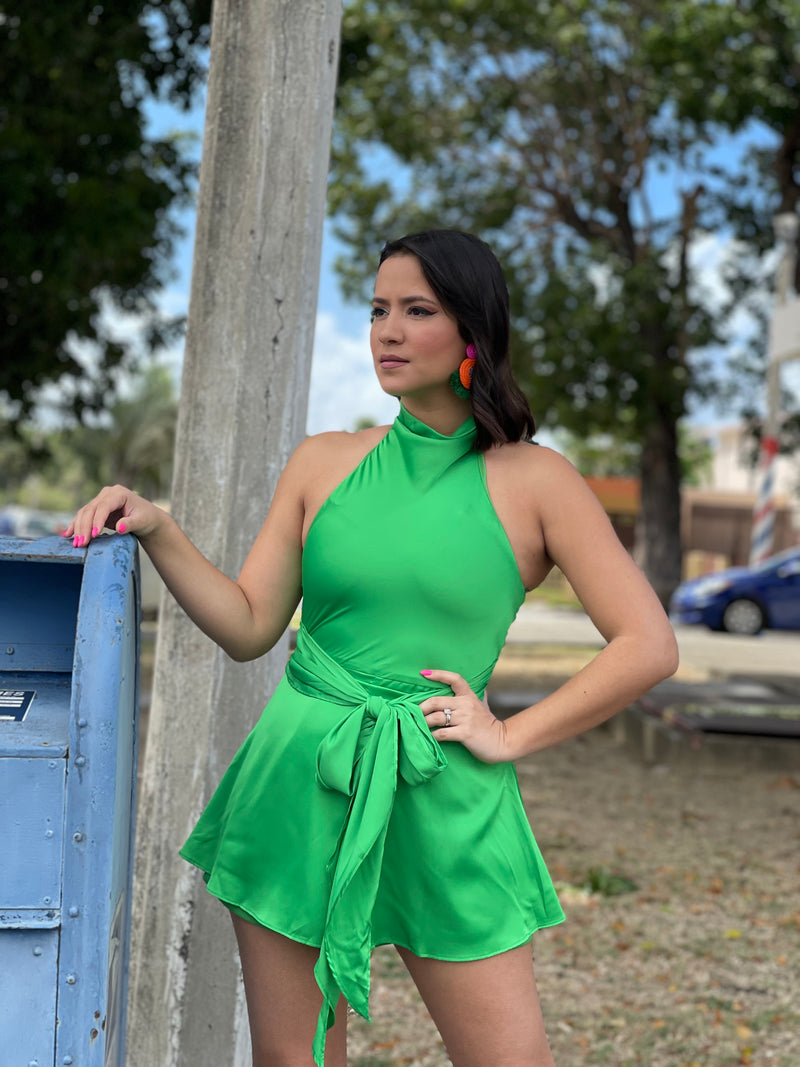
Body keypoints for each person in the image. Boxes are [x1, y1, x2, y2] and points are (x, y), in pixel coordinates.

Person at [65, 229, 678, 1067]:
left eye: (416, 310)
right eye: (379, 309)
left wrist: (511, 733)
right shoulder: (323, 462)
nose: (387, 330)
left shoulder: (537, 479)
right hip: (302, 773)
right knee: (300, 1062)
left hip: (444, 784)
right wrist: (159, 527)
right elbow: (249, 625)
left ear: (472, 333)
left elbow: (648, 644)